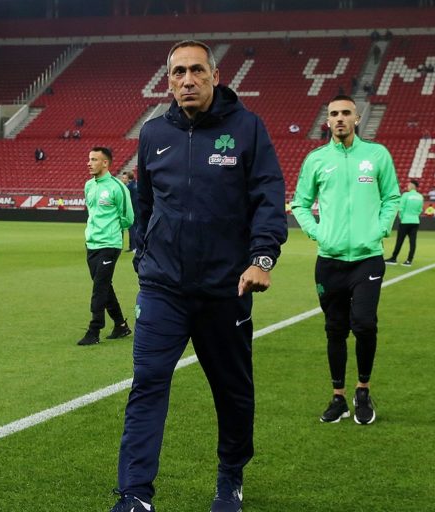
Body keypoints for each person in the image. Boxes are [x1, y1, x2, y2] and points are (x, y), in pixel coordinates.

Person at [113, 40, 287, 512]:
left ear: (215, 75)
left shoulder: (248, 128)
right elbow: (144, 203)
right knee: (148, 383)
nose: (187, 80)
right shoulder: (153, 133)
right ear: (168, 80)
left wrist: (262, 259)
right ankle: (135, 494)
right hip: (163, 288)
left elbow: (268, 198)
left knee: (232, 393)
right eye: (178, 72)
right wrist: (144, 255)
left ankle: (230, 477)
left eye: (196, 70)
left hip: (225, 289)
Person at [292, 94, 400, 427]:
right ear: (327, 121)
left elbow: (391, 197)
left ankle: (362, 391)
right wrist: (318, 233)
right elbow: (299, 204)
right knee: (335, 330)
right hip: (330, 260)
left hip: (367, 258)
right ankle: (338, 397)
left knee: (364, 324)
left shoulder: (377, 155)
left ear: (357, 118)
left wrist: (380, 229)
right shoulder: (316, 159)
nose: (339, 118)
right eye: (334, 114)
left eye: (345, 113)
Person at [78, 147, 134, 346]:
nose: (89, 163)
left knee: (99, 287)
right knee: (104, 286)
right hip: (91, 243)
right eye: (89, 159)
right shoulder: (88, 186)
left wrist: (111, 230)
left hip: (110, 244)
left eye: (94, 159)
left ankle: (94, 330)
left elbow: (128, 218)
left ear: (105, 163)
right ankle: (121, 325)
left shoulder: (118, 187)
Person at [386, 179, 423, 266]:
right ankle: (409, 260)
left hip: (405, 221)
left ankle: (394, 258)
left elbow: (401, 208)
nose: (408, 187)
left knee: (399, 240)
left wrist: (402, 218)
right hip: (415, 221)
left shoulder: (406, 195)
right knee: (413, 242)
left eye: (409, 185)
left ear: (412, 186)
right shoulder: (420, 196)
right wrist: (415, 216)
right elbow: (420, 210)